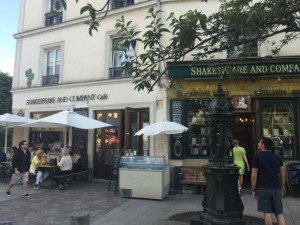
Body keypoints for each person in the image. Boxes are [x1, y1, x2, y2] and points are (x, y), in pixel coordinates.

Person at [251, 137, 286, 225]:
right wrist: (282, 187)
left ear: (263, 145)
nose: (258, 144)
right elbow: (282, 174)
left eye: (259, 142)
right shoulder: (277, 158)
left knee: (267, 213)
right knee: (279, 213)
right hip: (275, 187)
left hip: (263, 188)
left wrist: (253, 188)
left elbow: (254, 175)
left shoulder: (257, 158)